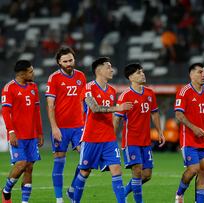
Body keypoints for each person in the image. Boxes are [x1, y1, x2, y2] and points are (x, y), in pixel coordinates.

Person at [71, 57, 133, 203]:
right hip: (91, 138)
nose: (111, 70)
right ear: (99, 70)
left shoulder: (112, 90)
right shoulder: (88, 87)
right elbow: (94, 108)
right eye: (108, 67)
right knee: (85, 172)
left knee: (117, 170)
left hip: (109, 139)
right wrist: (118, 108)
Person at [114, 63, 166, 203]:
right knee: (137, 171)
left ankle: (124, 192)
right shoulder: (125, 95)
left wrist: (160, 132)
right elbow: (117, 118)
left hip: (145, 141)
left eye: (142, 71)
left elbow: (154, 114)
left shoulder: (150, 93)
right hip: (131, 140)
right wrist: (111, 139)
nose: (142, 74)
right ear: (131, 77)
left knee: (147, 175)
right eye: (138, 72)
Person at [45, 47, 86, 203]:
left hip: (79, 126)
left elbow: (85, 100)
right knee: (59, 160)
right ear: (59, 62)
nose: (69, 63)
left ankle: (72, 189)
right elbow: (50, 106)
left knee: (85, 159)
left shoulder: (81, 76)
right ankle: (59, 199)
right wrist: (54, 128)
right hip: (61, 127)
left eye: (71, 60)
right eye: (65, 61)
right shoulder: (53, 78)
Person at [1, 60, 44, 203]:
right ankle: (6, 190)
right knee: (21, 164)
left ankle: (24, 202)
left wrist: (40, 132)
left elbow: (37, 111)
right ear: (22, 73)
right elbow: (5, 112)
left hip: (32, 135)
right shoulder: (9, 88)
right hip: (18, 135)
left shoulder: (33, 87)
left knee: (29, 168)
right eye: (31, 71)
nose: (33, 73)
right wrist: (11, 132)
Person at [174, 63, 204, 203]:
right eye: (199, 72)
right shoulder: (184, 91)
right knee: (193, 169)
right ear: (191, 75)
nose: (203, 75)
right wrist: (194, 128)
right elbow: (179, 115)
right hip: (189, 139)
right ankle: (179, 193)